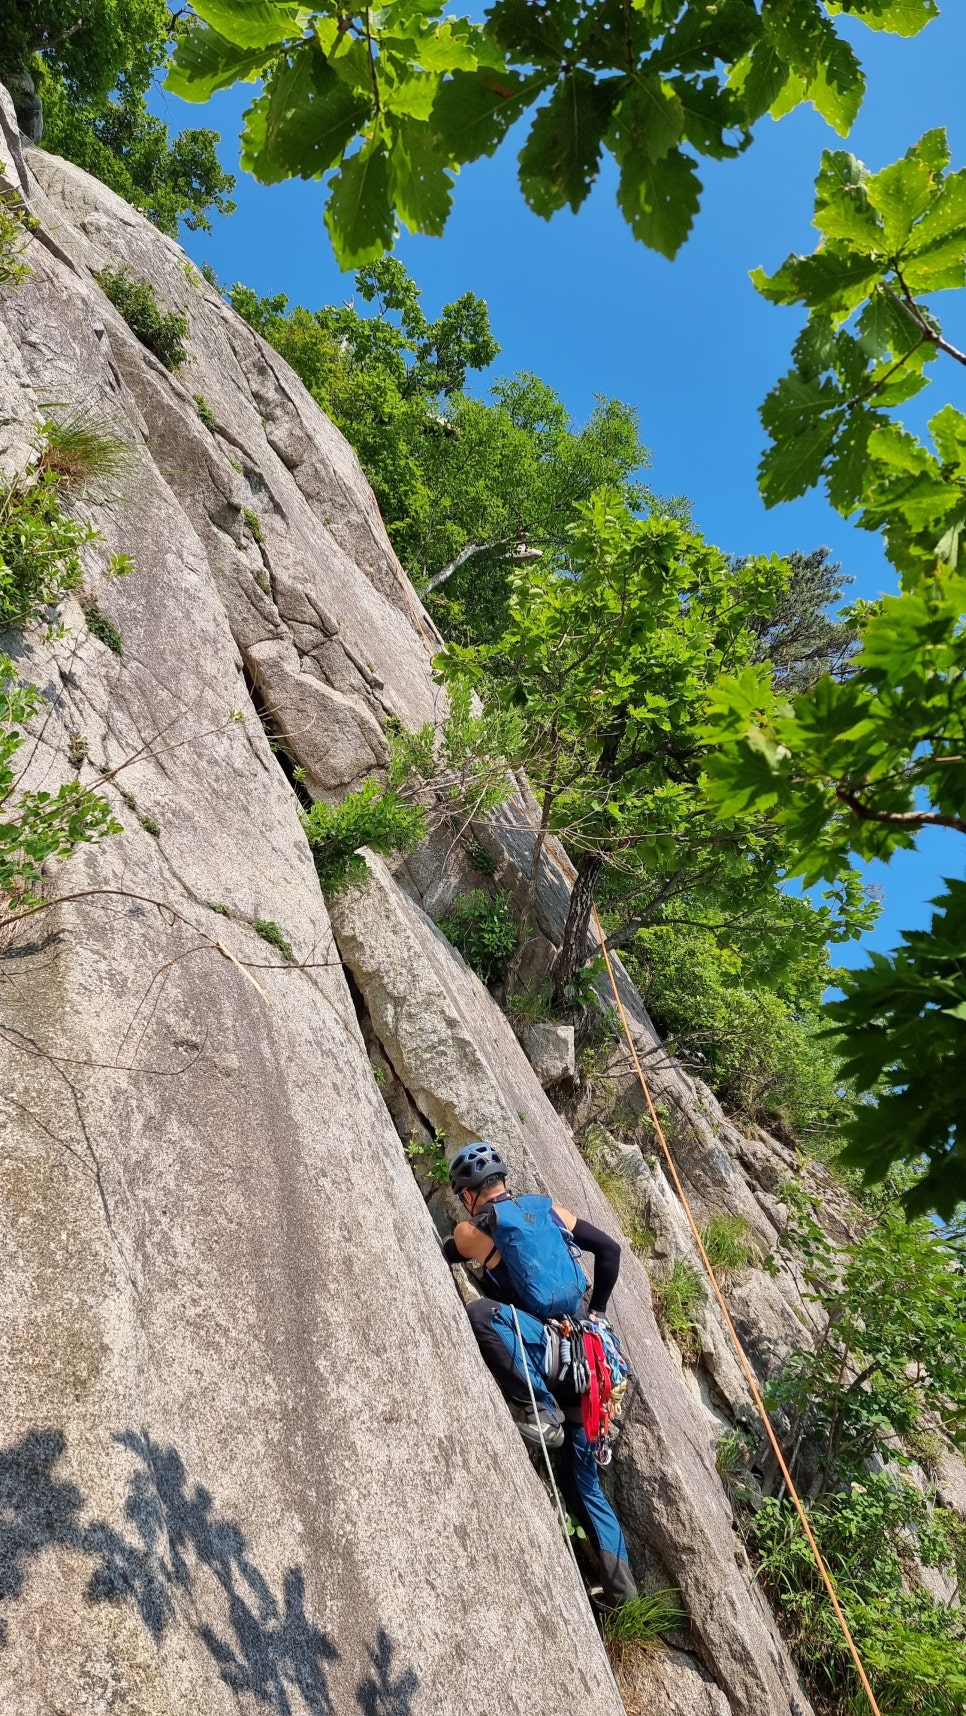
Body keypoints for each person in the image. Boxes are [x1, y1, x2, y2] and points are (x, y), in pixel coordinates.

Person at [442, 1140, 638, 1609]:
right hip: (590, 1363)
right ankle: (623, 1594)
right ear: (504, 1180)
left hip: (545, 1353)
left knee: (484, 1314)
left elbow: (451, 1250)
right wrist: (599, 1313)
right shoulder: (550, 1211)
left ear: (468, 1194)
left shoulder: (475, 1228)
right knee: (582, 1482)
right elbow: (608, 1250)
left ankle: (539, 1410)